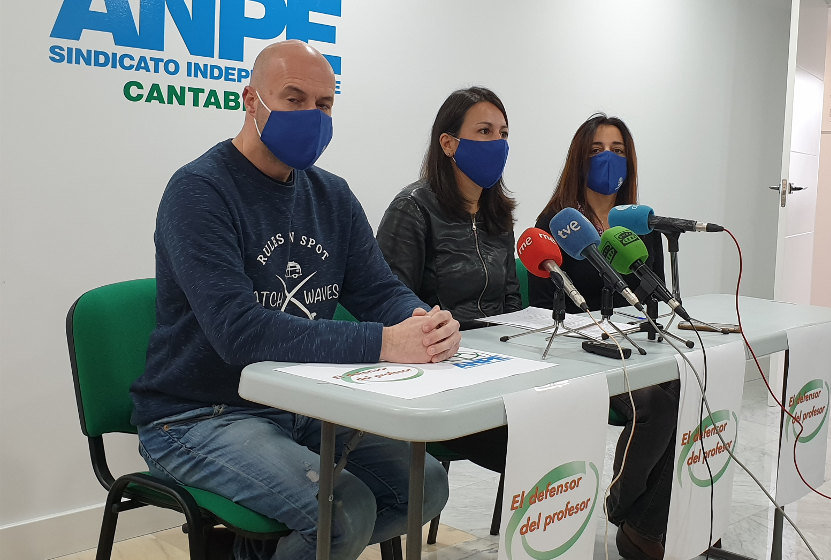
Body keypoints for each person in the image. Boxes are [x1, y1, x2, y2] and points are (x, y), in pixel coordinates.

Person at [130, 40, 456, 560]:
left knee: (426, 487)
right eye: (294, 98)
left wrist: (423, 323)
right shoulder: (198, 191)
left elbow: (377, 289)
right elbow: (239, 332)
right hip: (198, 416)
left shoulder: (331, 194)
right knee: (340, 512)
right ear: (250, 100)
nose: (313, 115)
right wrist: (385, 342)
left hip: (301, 405)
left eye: (324, 104)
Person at [530, 114, 678, 560]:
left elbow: (650, 299)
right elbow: (540, 311)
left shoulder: (639, 225)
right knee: (654, 403)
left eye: (617, 149)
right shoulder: (557, 223)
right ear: (579, 159)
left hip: (631, 347)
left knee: (688, 385)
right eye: (596, 150)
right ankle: (629, 512)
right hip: (578, 356)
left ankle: (643, 526)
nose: (608, 158)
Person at [376, 86, 520, 472]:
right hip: (441, 372)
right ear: (449, 143)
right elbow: (389, 302)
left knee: (566, 412)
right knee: (538, 433)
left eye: (503, 134)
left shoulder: (498, 215)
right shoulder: (413, 208)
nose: (497, 143)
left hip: (500, 366)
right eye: (485, 131)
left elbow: (511, 302)